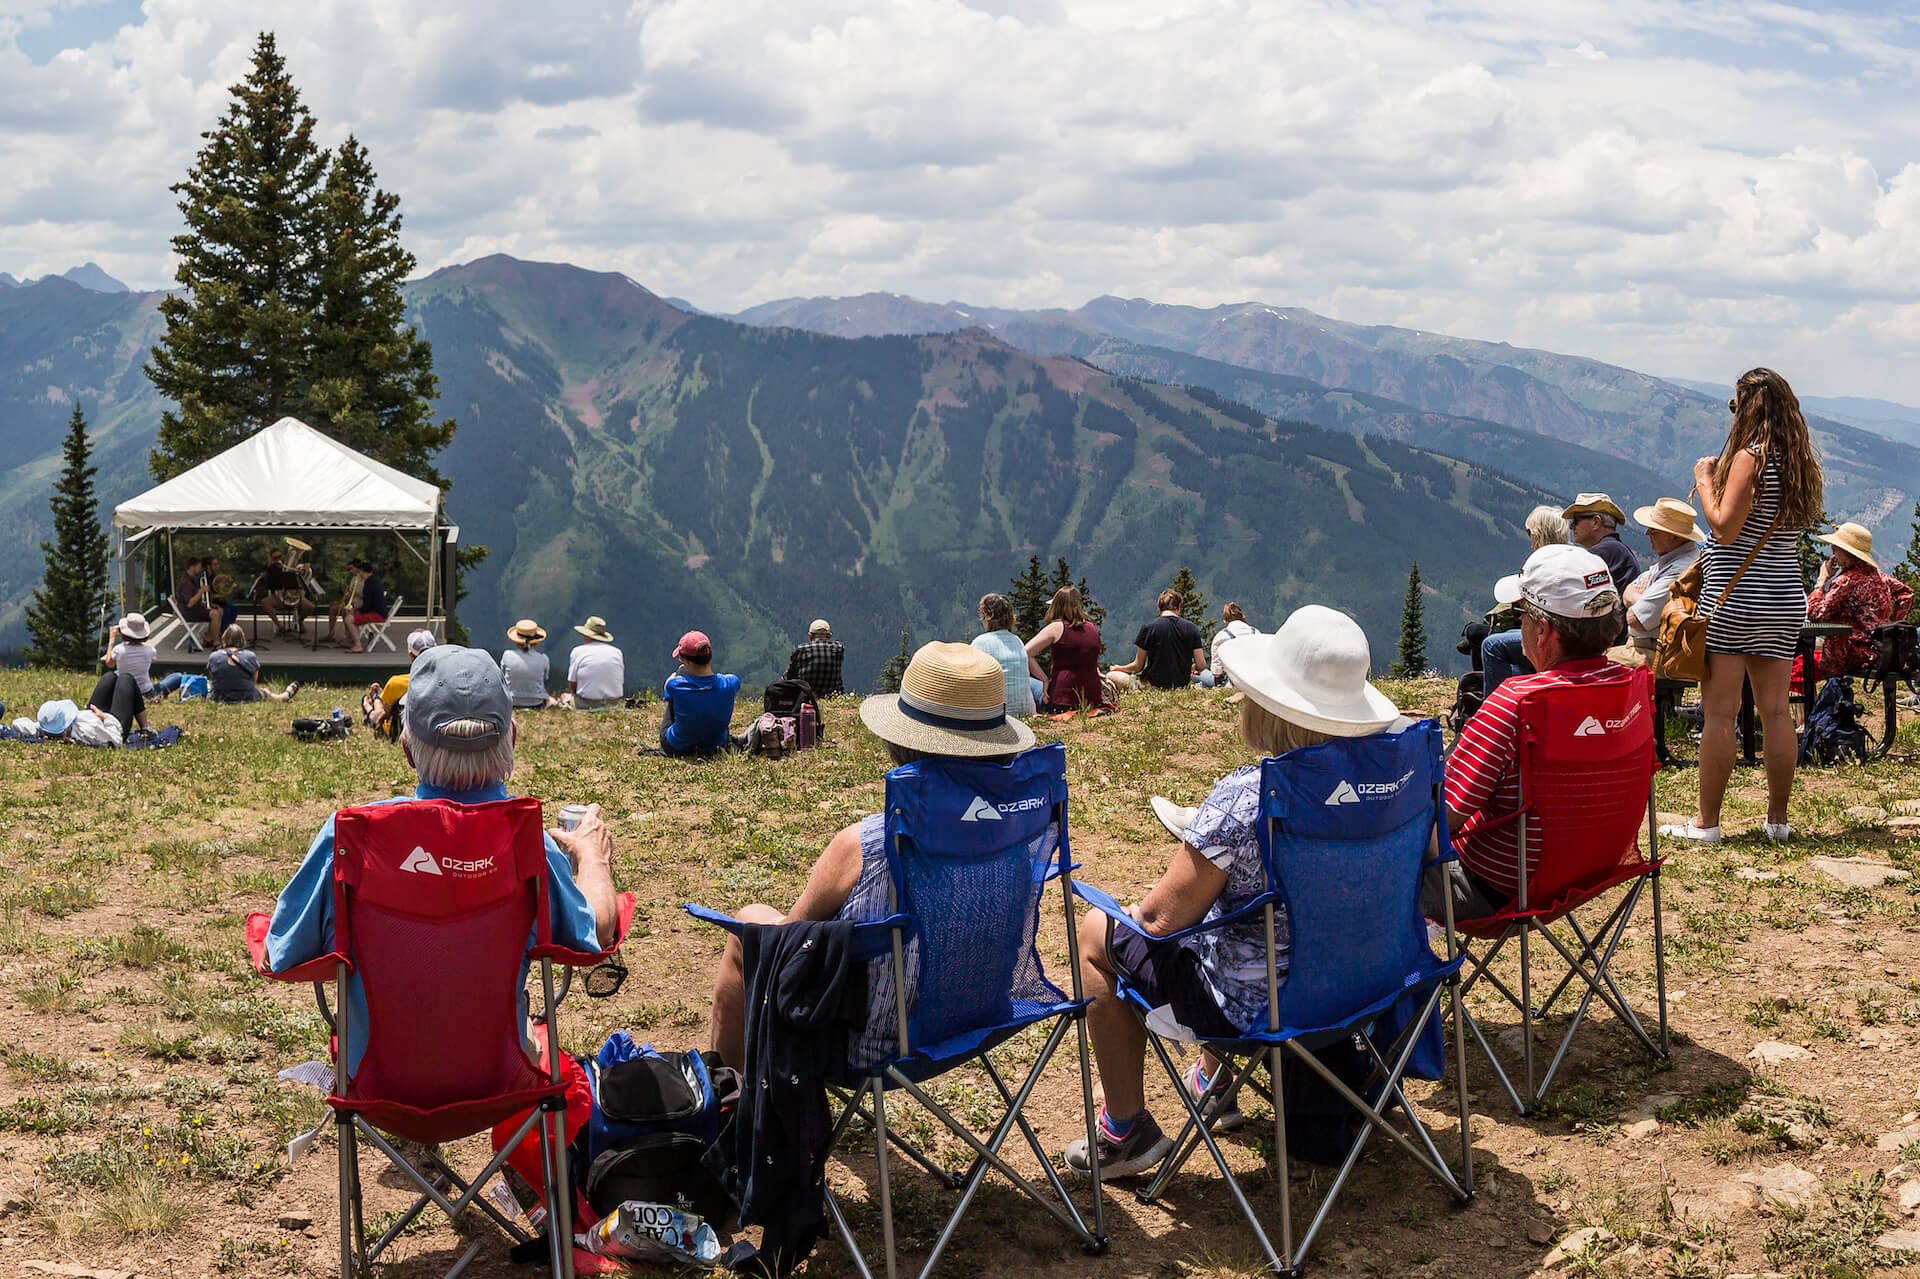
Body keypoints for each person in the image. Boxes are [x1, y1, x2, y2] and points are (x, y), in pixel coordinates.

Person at [1064, 606, 1402, 1177]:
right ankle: (1216, 1082)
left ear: (1268, 704)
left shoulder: (1249, 796)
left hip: (1264, 1007)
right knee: (1239, 922)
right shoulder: (1398, 779)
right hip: (1367, 981)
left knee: (1099, 933)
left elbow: (1158, 920)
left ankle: (1126, 1129)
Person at [265, 645, 619, 1074]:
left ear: (408, 750)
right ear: (513, 739)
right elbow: (596, 934)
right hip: (497, 1077)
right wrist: (592, 857)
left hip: (378, 1080)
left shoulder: (351, 837)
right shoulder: (530, 844)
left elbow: (283, 953)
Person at [706, 641, 1033, 1069]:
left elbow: (784, 942)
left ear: (902, 743)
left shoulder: (870, 845)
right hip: (980, 1016)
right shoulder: (1016, 829)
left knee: (748, 932)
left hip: (879, 1041)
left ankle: (728, 1101)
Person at [1663, 369, 1824, 846]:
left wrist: (1704, 480)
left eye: (1735, 406)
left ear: (1749, 407)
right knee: (1776, 711)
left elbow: (1724, 528)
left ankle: (1707, 823)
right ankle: (1778, 820)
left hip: (1735, 601)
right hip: (1783, 598)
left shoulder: (1750, 459)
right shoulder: (1799, 465)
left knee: (1720, 714)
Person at [1428, 545, 1631, 920]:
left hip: (1500, 889)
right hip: (1590, 872)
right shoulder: (1629, 687)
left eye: (1520, 613)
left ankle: (1409, 976)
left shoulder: (1518, 703)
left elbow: (1440, 816)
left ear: (1543, 631)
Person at [1799, 523, 1913, 685]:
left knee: (1799, 662)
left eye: (1836, 547)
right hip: (1876, 651)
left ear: (1847, 554)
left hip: (1847, 654)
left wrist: (1821, 582)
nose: (1832, 551)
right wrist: (1890, 629)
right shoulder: (1878, 576)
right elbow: (1906, 594)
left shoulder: (1845, 582)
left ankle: (1813, 707)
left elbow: (1815, 615)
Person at [1477, 505, 1576, 687]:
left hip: (1555, 635)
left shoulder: (1542, 561)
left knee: (1491, 645)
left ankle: (1494, 711)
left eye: (1530, 532)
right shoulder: (1576, 557)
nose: (1529, 538)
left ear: (1539, 533)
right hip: (1580, 633)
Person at [1616, 498, 1705, 659]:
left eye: (1654, 529)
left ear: (1676, 537)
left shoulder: (1681, 570)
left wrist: (1636, 599)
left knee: (1593, 666)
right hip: (1649, 646)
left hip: (1657, 652)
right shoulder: (1672, 558)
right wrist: (1642, 600)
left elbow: (1635, 619)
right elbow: (1628, 590)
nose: (1647, 533)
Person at [1025, 586, 1112, 712]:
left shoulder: (1056, 627)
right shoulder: (1092, 628)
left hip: (1061, 702)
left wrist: (1044, 680)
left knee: (1028, 682)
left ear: (1055, 606)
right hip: (1092, 701)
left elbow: (1025, 653)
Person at [1108, 588, 1209, 691]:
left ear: (1159, 607)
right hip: (1182, 686)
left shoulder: (1148, 628)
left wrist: (1118, 668)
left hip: (1152, 686)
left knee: (1111, 676)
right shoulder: (1192, 628)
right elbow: (1201, 665)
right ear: (1179, 607)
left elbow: (1138, 666)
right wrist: (1192, 667)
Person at [659, 631, 741, 756]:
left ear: (685, 661)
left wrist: (677, 674)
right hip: (717, 746)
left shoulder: (675, 685)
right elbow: (728, 679)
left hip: (677, 748)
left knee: (674, 696)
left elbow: (667, 687)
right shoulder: (731, 683)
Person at [971, 593, 1037, 717]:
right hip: (1026, 712)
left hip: (997, 715)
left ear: (986, 616)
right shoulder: (1017, 641)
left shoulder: (980, 643)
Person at [362, 629, 438, 736]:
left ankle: (370, 701)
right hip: (433, 733)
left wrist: (378, 700)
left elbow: (384, 715)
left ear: (410, 655)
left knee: (378, 709)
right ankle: (377, 696)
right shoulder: (444, 681)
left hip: (399, 733)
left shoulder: (396, 683)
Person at [1562, 495, 1641, 594]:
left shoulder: (1603, 551)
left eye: (1576, 520)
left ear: (1596, 522)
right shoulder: (1616, 549)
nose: (1571, 526)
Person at [206, 625, 300, 703]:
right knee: (267, 694)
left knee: (206, 683)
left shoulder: (214, 656)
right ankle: (284, 696)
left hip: (219, 696)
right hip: (247, 695)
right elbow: (253, 679)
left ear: (224, 638)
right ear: (242, 639)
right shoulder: (250, 656)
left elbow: (214, 677)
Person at [104, 613, 183, 700]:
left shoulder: (118, 650)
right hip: (147, 692)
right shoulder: (150, 651)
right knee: (177, 676)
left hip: (124, 691)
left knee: (116, 673)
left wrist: (112, 639)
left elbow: (109, 663)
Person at [565, 616, 625, 709]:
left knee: (564, 698)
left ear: (587, 635)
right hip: (614, 704)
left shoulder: (578, 651)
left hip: (587, 703)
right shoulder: (617, 652)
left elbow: (573, 685)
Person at [501, 619, 557, 709]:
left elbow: (502, 677)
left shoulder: (507, 655)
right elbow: (545, 679)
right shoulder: (543, 659)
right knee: (552, 700)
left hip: (511, 702)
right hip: (536, 703)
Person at [784, 619, 846, 697]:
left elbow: (789, 675)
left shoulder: (801, 649)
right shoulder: (838, 649)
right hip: (833, 695)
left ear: (810, 635)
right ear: (829, 635)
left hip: (805, 695)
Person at [341, 560, 388, 654]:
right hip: (380, 612)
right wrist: (356, 609)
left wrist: (356, 612)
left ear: (363, 571)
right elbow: (369, 603)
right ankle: (352, 640)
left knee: (349, 619)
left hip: (377, 615)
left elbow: (367, 606)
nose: (359, 575)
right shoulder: (374, 580)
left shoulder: (369, 584)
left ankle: (358, 646)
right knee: (351, 616)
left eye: (359, 572)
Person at [1208, 602, 1257, 685]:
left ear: (1225, 621)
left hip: (1232, 682)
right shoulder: (1256, 632)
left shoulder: (1221, 636)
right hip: (1255, 680)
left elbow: (1216, 673)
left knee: (1197, 675)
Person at [173, 556, 214, 647]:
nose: (199, 570)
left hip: (193, 610)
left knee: (218, 611)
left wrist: (200, 602)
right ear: (192, 567)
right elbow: (189, 603)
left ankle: (209, 638)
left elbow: (192, 599)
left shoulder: (191, 579)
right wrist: (201, 591)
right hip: (189, 613)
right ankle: (213, 640)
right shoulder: (186, 582)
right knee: (215, 614)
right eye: (198, 567)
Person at [325, 560, 365, 645]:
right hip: (351, 603)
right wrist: (339, 601)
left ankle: (349, 638)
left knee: (344, 611)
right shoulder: (354, 577)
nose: (350, 571)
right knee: (333, 608)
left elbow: (363, 596)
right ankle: (331, 634)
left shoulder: (363, 579)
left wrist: (352, 592)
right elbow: (349, 594)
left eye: (352, 569)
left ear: (358, 568)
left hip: (359, 605)